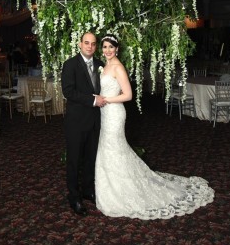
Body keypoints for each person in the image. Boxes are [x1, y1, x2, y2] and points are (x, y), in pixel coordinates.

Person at [95, 34, 214, 220]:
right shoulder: (106, 66)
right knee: (110, 148)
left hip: (114, 113)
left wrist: (106, 99)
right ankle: (113, 186)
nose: (108, 50)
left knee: (114, 148)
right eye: (105, 47)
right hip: (105, 113)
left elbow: (128, 95)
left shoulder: (118, 67)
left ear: (117, 49)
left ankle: (121, 189)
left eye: (111, 47)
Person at [61, 32, 106, 216]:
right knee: (74, 160)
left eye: (93, 44)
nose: (89, 46)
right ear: (80, 44)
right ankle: (74, 196)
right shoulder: (70, 65)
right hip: (76, 122)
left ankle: (88, 190)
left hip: (95, 121)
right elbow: (68, 92)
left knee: (91, 158)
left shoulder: (100, 65)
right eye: (86, 43)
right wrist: (92, 100)